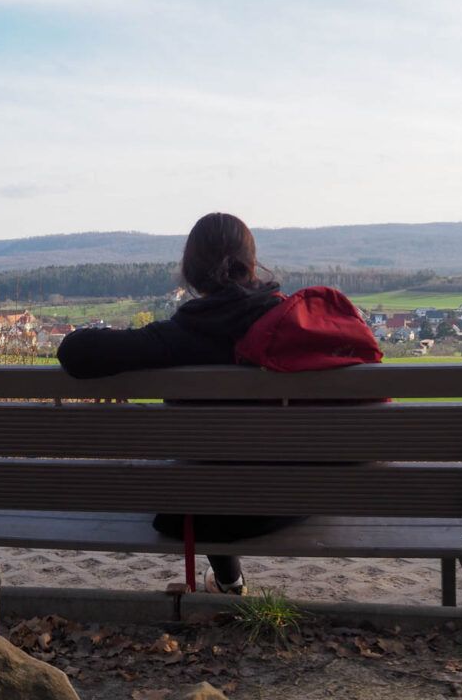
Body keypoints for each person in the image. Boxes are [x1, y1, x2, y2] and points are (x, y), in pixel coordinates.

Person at [56, 212, 302, 595]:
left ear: (190, 271)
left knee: (201, 479)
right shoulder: (292, 324)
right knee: (216, 473)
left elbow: (73, 351)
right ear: (252, 265)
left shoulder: (179, 335)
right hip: (296, 496)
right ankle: (227, 581)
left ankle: (229, 581)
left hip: (207, 509)